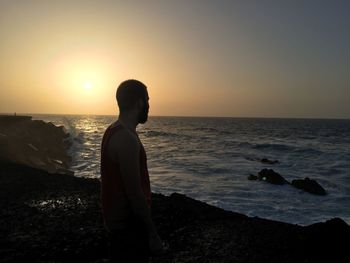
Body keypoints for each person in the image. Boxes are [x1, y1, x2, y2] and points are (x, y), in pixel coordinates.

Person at [100, 79, 163, 262]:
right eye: (148, 100)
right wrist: (152, 234)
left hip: (116, 225)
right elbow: (134, 194)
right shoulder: (126, 138)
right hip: (127, 228)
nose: (149, 106)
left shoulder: (112, 130)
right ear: (139, 102)